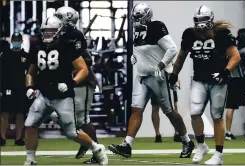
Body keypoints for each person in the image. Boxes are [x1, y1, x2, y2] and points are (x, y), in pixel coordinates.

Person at [108, 3, 194, 158]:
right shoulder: (137, 31)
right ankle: (127, 145)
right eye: (135, 17)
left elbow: (172, 48)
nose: (136, 20)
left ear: (147, 16)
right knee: (136, 109)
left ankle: (187, 141)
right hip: (142, 76)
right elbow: (142, 50)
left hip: (158, 76)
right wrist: (136, 58)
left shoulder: (156, 27)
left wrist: (161, 65)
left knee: (169, 111)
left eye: (138, 17)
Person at [23, 16, 108, 165]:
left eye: (51, 31)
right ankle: (30, 159)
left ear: (59, 31)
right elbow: (30, 72)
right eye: (45, 31)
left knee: (71, 133)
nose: (48, 34)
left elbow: (83, 69)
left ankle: (96, 148)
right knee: (30, 125)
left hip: (63, 96)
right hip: (43, 94)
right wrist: (30, 87)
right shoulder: (37, 47)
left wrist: (71, 83)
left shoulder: (67, 46)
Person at [169, 5, 241, 164]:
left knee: (217, 116)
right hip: (199, 79)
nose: (200, 24)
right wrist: (174, 74)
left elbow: (236, 56)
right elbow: (181, 56)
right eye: (198, 20)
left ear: (210, 20)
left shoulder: (222, 34)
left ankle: (219, 155)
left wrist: (225, 72)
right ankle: (201, 146)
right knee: (195, 113)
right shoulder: (189, 34)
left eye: (203, 20)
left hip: (218, 80)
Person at [53, 6, 99, 164]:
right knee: (55, 114)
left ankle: (97, 152)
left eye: (59, 17)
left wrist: (69, 71)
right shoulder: (58, 36)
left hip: (82, 82)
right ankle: (85, 143)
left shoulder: (75, 35)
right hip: (67, 83)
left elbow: (86, 61)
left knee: (82, 119)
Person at [0, 32, 30, 146]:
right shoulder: (5, 55)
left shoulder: (26, 56)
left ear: (21, 41)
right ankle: (2, 138)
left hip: (21, 89)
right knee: (4, 113)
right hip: (6, 88)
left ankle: (18, 138)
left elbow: (30, 73)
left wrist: (30, 88)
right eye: (15, 40)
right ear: (11, 41)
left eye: (18, 40)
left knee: (20, 114)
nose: (16, 41)